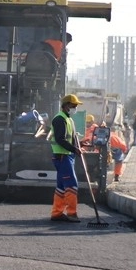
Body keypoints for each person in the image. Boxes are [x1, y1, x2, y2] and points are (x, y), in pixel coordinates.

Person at [50, 94, 83, 223]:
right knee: (71, 185)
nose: (75, 108)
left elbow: (72, 137)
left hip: (67, 156)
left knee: (61, 187)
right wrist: (74, 149)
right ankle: (71, 213)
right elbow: (60, 139)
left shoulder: (69, 119)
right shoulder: (59, 119)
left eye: (76, 106)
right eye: (73, 105)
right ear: (65, 106)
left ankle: (57, 213)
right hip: (62, 156)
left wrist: (80, 145)